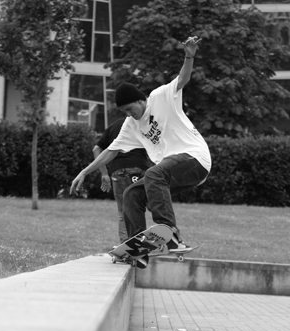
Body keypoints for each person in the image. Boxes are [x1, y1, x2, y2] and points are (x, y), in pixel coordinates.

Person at [70, 35, 211, 252]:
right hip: (172, 171)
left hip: (194, 159)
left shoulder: (160, 97)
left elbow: (182, 79)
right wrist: (85, 172)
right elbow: (110, 151)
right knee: (131, 193)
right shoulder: (131, 125)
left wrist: (189, 57)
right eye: (124, 112)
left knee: (153, 174)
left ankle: (171, 234)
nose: (129, 115)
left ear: (140, 100)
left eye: (130, 109)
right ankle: (137, 247)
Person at [93, 118, 151, 243]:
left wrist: (104, 173)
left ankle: (127, 246)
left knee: (123, 211)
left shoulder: (113, 126)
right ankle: (165, 233)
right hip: (139, 168)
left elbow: (96, 149)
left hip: (118, 172)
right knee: (149, 204)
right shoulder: (141, 122)